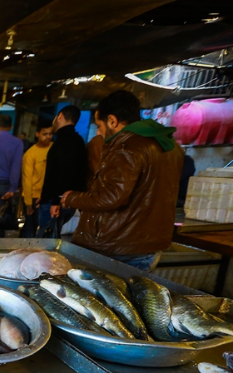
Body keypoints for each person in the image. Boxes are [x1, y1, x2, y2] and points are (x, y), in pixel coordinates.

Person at [60, 90, 183, 272]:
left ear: (112, 121)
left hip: (118, 246)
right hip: (148, 246)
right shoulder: (169, 146)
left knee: (106, 299)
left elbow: (112, 197)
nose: (99, 133)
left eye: (99, 126)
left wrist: (71, 198)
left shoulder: (126, 146)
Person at [38, 105, 88, 237]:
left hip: (57, 202)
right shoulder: (78, 140)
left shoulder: (64, 141)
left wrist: (55, 200)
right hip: (65, 200)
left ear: (59, 116)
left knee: (43, 243)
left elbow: (64, 172)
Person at [19, 119, 53, 237]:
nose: (48, 137)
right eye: (45, 134)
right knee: (30, 229)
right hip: (34, 196)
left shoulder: (54, 149)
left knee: (46, 229)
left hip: (49, 196)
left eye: (50, 134)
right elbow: (27, 179)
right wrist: (28, 203)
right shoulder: (30, 154)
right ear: (37, 134)